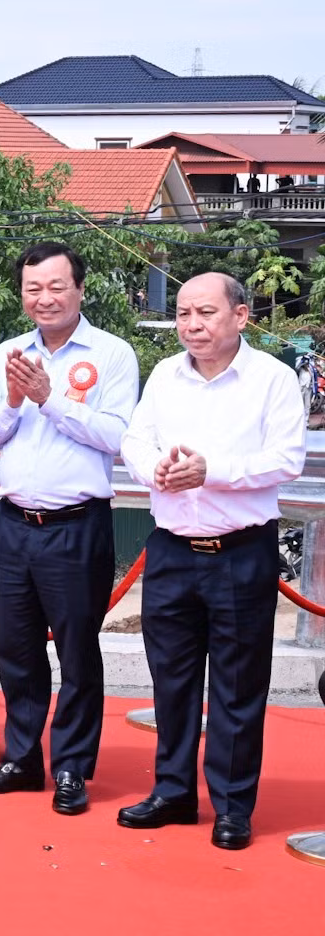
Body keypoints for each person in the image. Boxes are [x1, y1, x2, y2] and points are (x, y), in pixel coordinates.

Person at [116, 271, 307, 850]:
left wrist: (211, 472)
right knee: (171, 681)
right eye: (182, 313)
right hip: (172, 549)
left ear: (241, 316)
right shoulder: (164, 375)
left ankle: (232, 806)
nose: (191, 325)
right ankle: (173, 792)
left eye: (205, 313)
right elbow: (135, 440)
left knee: (237, 686)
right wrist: (153, 470)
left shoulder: (272, 379)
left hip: (240, 552)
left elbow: (287, 459)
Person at [0, 242, 138, 815]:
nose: (44, 298)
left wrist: (51, 399)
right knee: (15, 648)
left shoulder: (112, 354)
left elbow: (118, 437)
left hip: (77, 524)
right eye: (33, 288)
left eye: (56, 287)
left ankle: (71, 768)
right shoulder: (9, 352)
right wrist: (15, 401)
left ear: (80, 290)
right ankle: (21, 759)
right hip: (15, 523)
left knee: (77, 652)